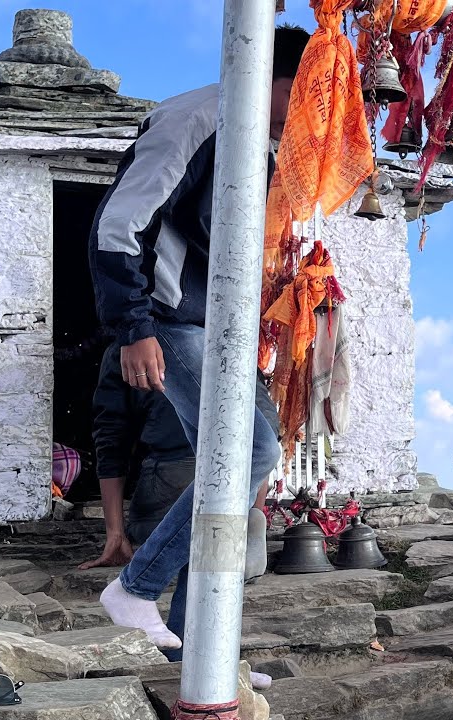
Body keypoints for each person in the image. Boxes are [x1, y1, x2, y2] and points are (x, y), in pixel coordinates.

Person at [87, 25, 310, 669]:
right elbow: (117, 226)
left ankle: (195, 651)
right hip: (168, 317)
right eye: (305, 90)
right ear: (273, 75)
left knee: (238, 470)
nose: (310, 109)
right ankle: (135, 587)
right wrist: (134, 328)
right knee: (250, 452)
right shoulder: (195, 118)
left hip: (221, 332)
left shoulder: (262, 147)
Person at [78, 340, 197, 570]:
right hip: (237, 477)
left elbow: (112, 440)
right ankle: (245, 528)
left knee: (151, 531)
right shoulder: (232, 335)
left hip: (174, 471)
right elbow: (267, 431)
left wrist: (116, 534)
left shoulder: (127, 348)